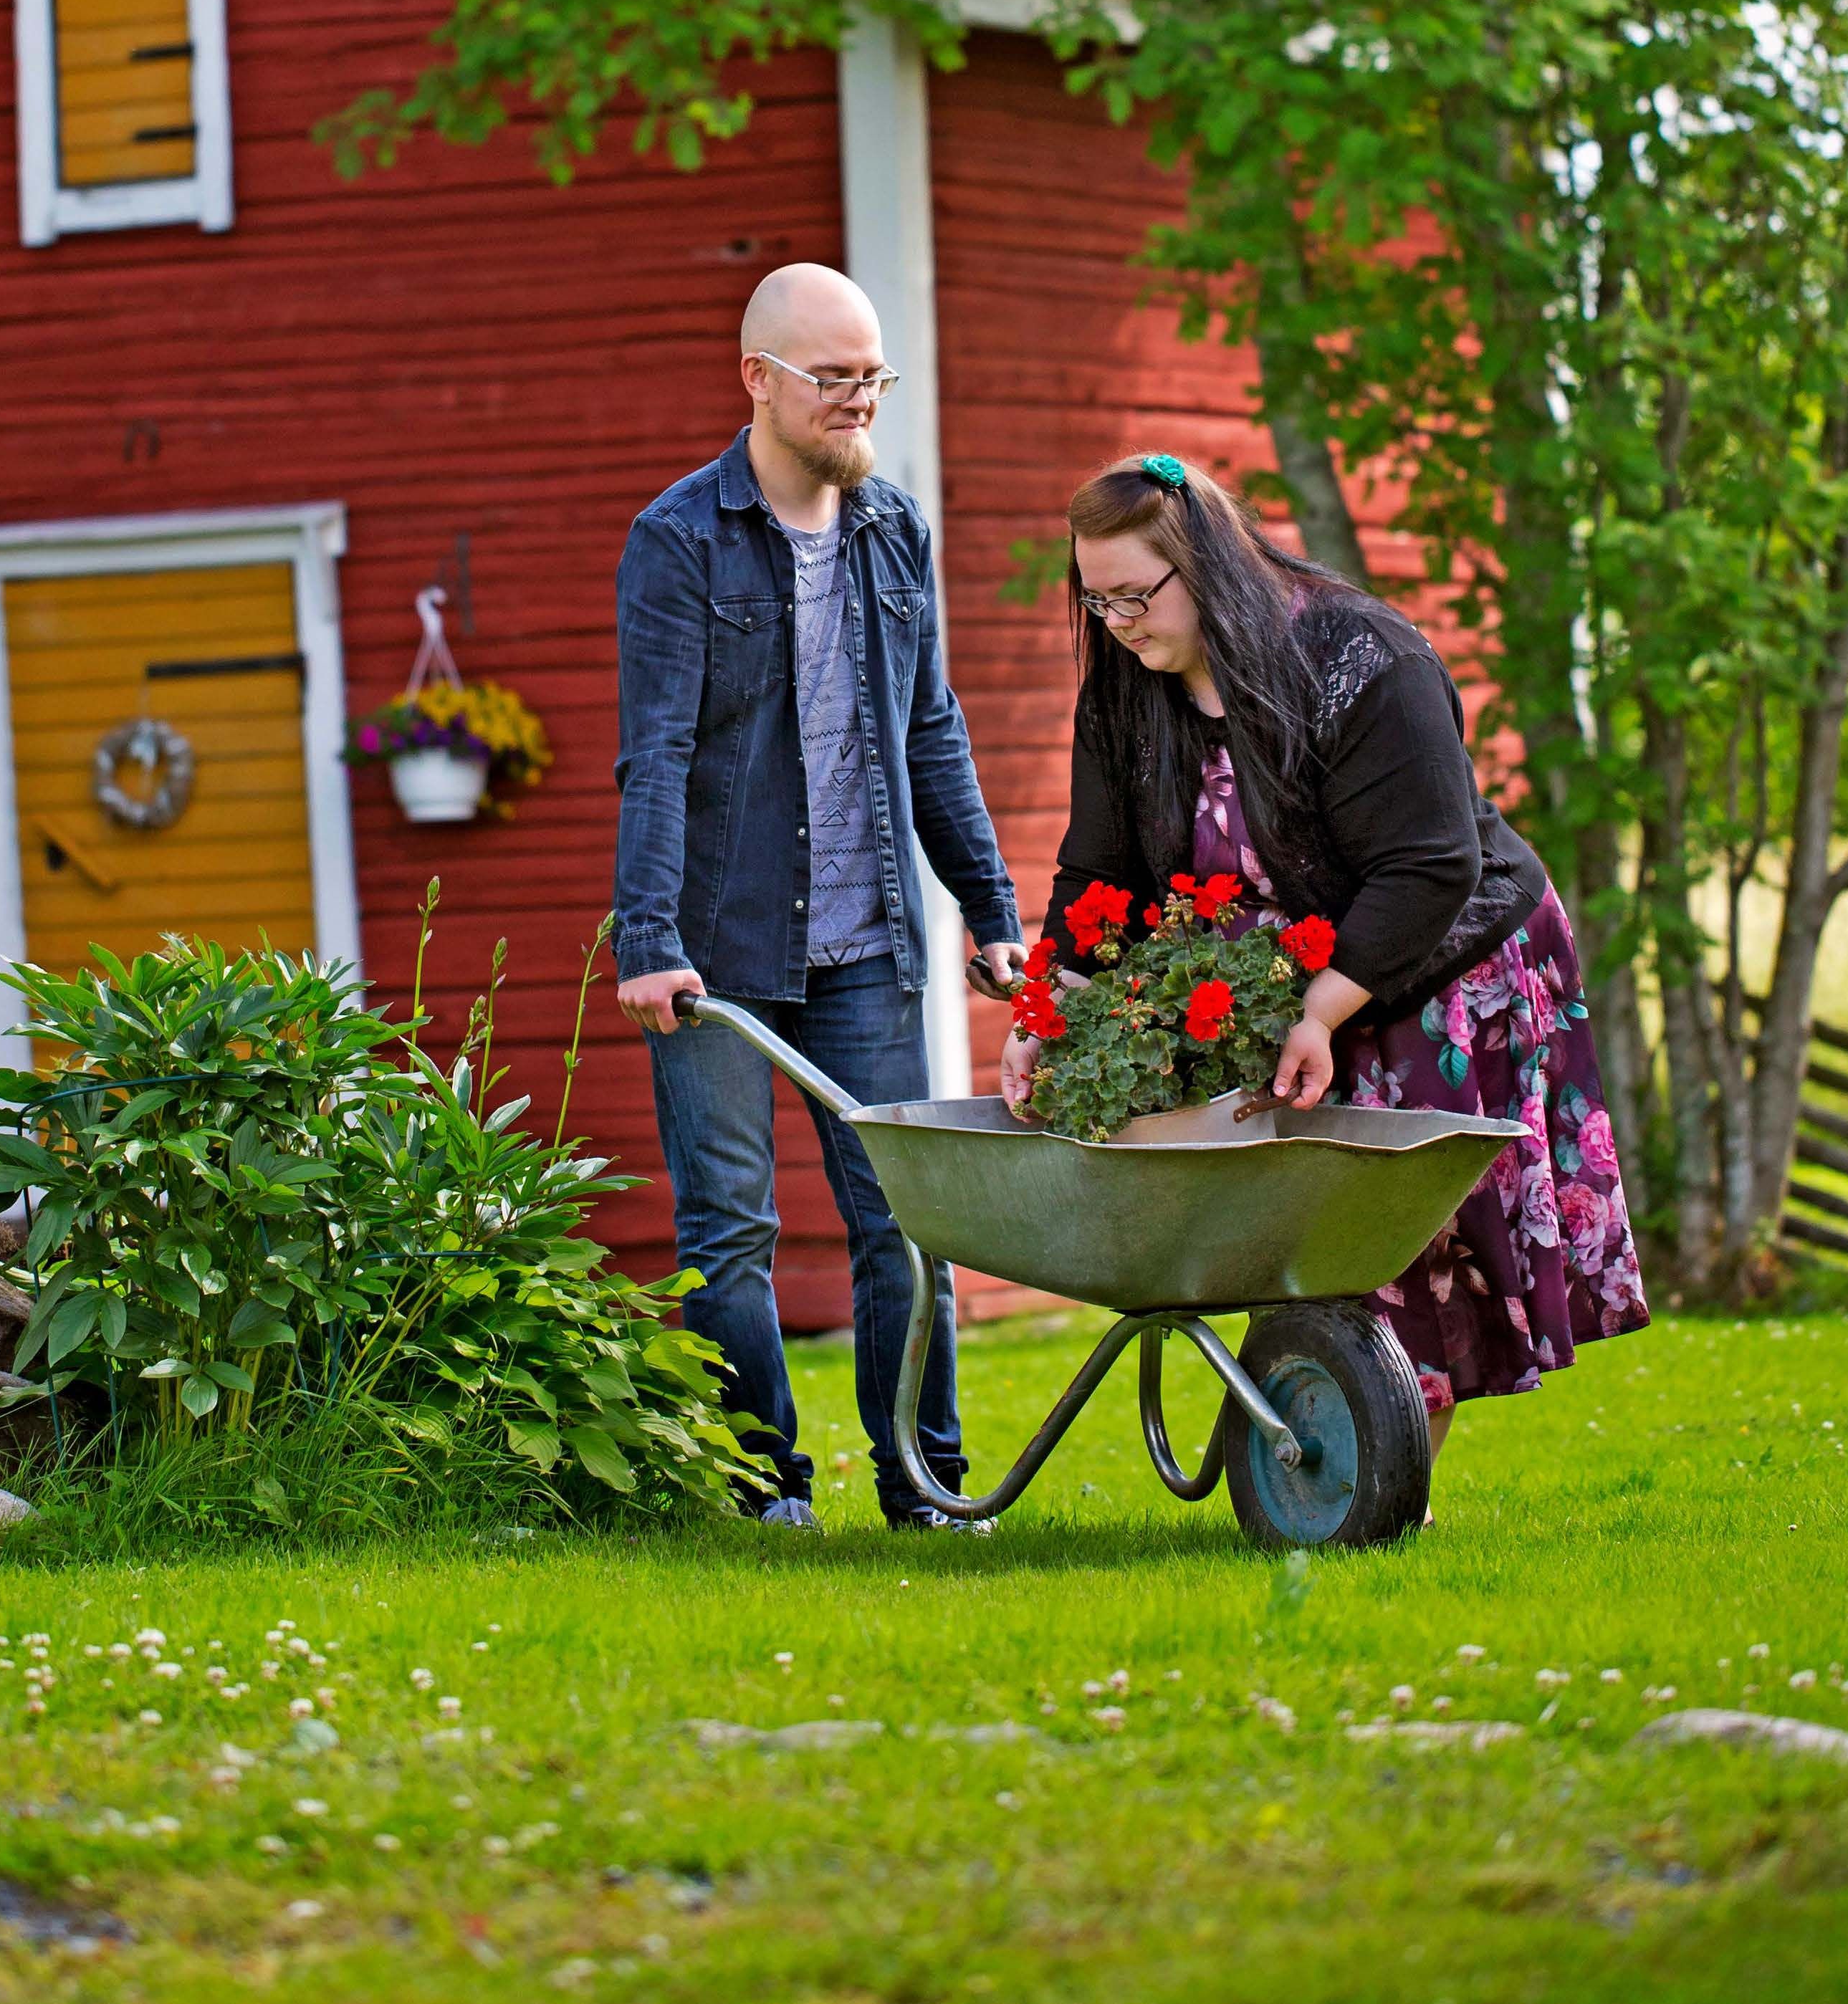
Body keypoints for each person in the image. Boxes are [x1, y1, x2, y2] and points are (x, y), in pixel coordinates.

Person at [1003, 451, 1647, 1461]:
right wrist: (1048, 1015)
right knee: (1326, 1244)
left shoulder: (1358, 658)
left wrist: (1321, 1009)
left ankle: (1366, 1484)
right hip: (1311, 976)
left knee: (1405, 1244)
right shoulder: (1130, 690)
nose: (1119, 623)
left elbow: (1432, 865)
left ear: (1205, 564)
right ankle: (1337, 1472)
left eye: (1136, 595)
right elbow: (1099, 877)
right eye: (1097, 601)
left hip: (1443, 958)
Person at [613, 262, 1026, 1530]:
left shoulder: (894, 530)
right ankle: (765, 1495)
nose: (858, 401)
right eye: (833, 378)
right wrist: (649, 935)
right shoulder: (680, 538)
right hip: (717, 950)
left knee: (907, 1224)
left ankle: (927, 1485)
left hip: (868, 947)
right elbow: (658, 748)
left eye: (872, 379)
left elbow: (934, 727)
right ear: (758, 378)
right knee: (729, 1232)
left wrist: (992, 906)